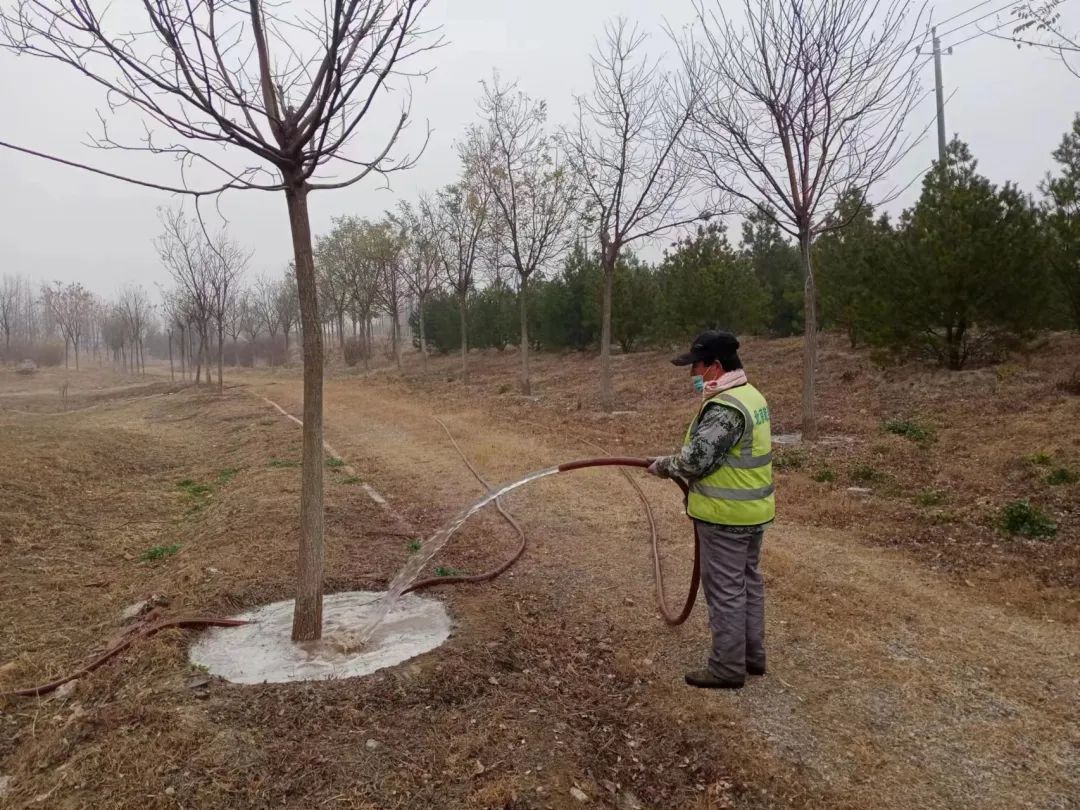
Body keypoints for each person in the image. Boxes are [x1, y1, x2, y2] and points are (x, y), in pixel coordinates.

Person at [648, 330, 774, 689]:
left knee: (726, 591)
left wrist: (664, 465)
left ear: (716, 365)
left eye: (697, 367)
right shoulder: (751, 396)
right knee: (747, 583)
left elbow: (696, 460)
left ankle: (727, 668)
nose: (693, 375)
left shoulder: (726, 408)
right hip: (753, 512)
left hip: (725, 516)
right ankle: (751, 656)